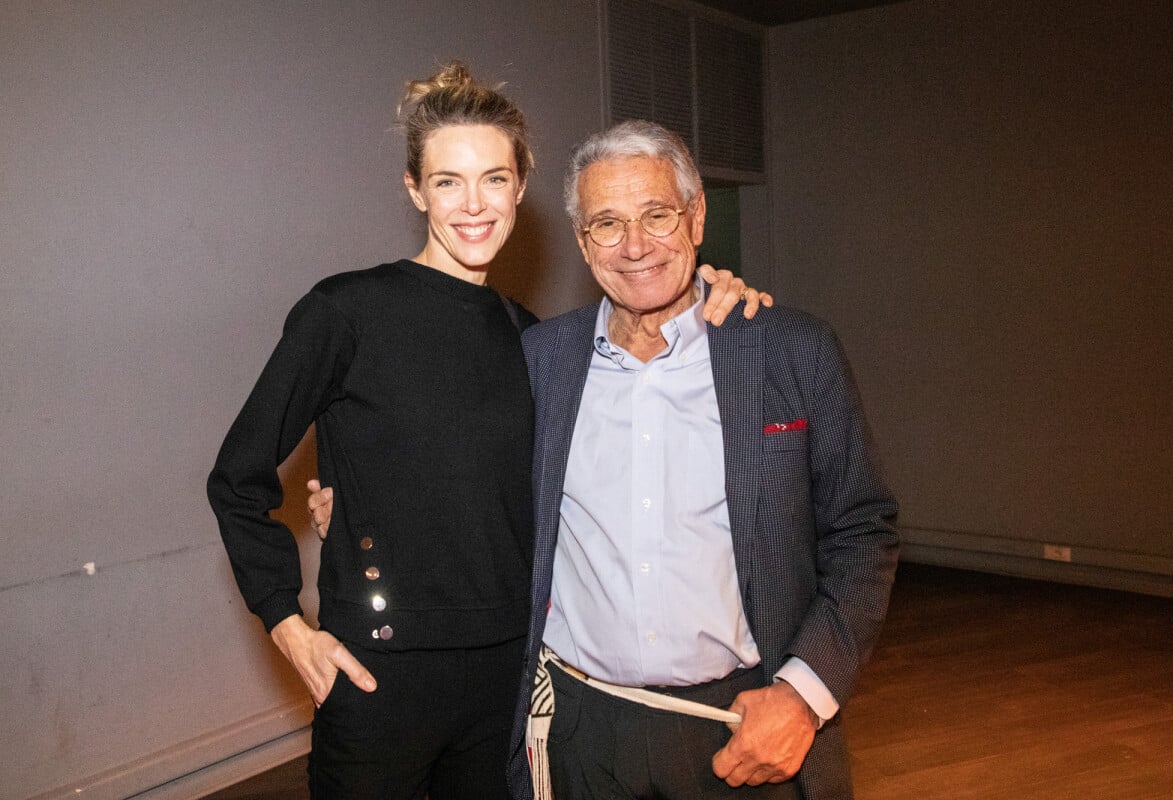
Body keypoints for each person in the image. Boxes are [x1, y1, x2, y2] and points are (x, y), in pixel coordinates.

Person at [208, 63, 768, 800]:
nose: (474, 204)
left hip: (510, 675)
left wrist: (710, 291)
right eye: (447, 181)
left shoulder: (535, 342)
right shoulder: (345, 313)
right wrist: (286, 623)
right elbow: (237, 478)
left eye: (494, 179)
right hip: (379, 676)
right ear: (415, 189)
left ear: (521, 186)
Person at [505, 120, 899, 800]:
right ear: (582, 241)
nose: (634, 246)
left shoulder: (790, 352)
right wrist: (346, 496)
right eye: (606, 223)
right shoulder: (540, 362)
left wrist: (803, 697)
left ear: (696, 217)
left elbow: (864, 532)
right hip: (582, 736)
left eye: (657, 215)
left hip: (744, 724)